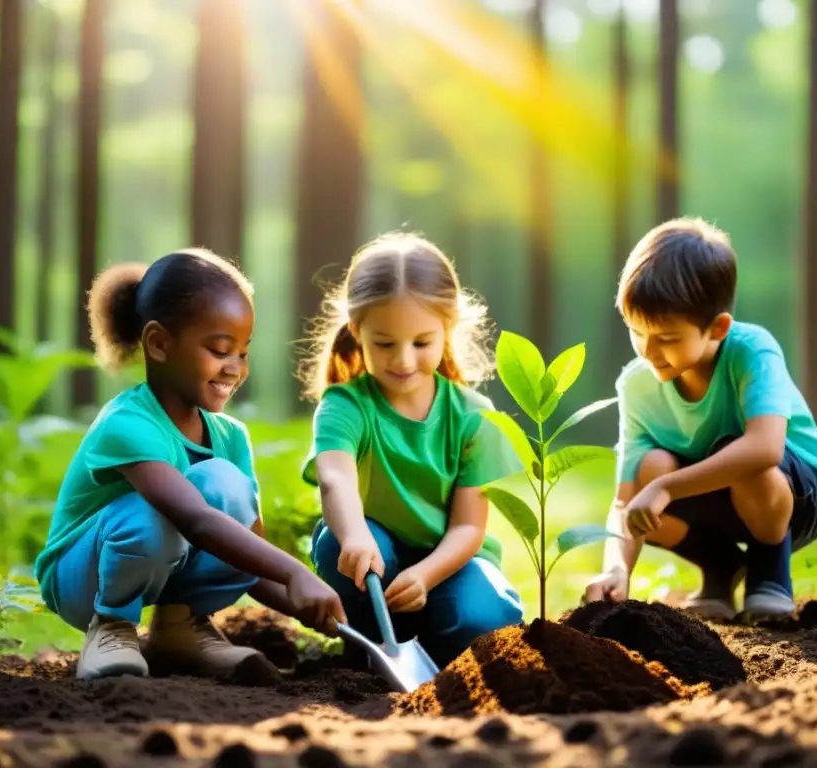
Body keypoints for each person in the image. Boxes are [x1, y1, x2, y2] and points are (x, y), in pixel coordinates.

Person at [34, 248, 346, 681]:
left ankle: (179, 629)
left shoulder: (230, 436)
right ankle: (112, 628)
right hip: (82, 579)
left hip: (159, 560)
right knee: (158, 509)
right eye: (220, 350)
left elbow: (246, 551)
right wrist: (294, 571)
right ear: (159, 344)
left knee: (226, 484)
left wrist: (317, 605)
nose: (234, 368)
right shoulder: (128, 423)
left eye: (243, 352)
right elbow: (194, 519)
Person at [583, 218, 817, 620]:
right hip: (719, 499)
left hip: (800, 495)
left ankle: (769, 571)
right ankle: (720, 565)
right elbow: (625, 500)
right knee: (648, 468)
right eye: (636, 331)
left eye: (667, 338)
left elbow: (765, 448)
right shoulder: (637, 385)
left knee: (735, 454)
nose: (648, 350)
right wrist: (616, 567)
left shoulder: (750, 351)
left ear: (717, 328)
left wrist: (667, 487)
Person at [299, 232, 524, 667]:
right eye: (385, 343)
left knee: (482, 614)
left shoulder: (474, 417)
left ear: (448, 330)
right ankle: (376, 642)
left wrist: (424, 575)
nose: (403, 360)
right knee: (337, 546)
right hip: (374, 556)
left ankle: (436, 655)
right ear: (356, 331)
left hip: (450, 564)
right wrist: (354, 534)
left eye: (421, 343)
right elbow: (335, 476)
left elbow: (468, 528)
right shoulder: (346, 406)